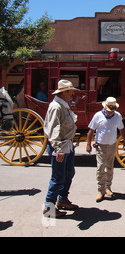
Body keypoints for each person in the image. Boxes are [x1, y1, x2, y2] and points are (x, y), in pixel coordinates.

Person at [43, 80, 79, 218]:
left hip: (66, 144)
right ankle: (48, 208)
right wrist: (58, 149)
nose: (72, 94)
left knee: (69, 173)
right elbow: (53, 129)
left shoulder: (62, 105)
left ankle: (62, 199)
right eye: (70, 91)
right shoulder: (56, 107)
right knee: (58, 178)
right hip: (60, 145)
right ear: (64, 92)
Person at [86, 97, 125, 202]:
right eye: (109, 110)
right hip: (100, 145)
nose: (110, 112)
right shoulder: (98, 115)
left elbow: (122, 129)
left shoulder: (117, 116)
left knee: (109, 167)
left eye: (112, 110)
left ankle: (108, 187)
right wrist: (88, 144)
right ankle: (101, 190)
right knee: (100, 167)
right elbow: (91, 130)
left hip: (112, 145)